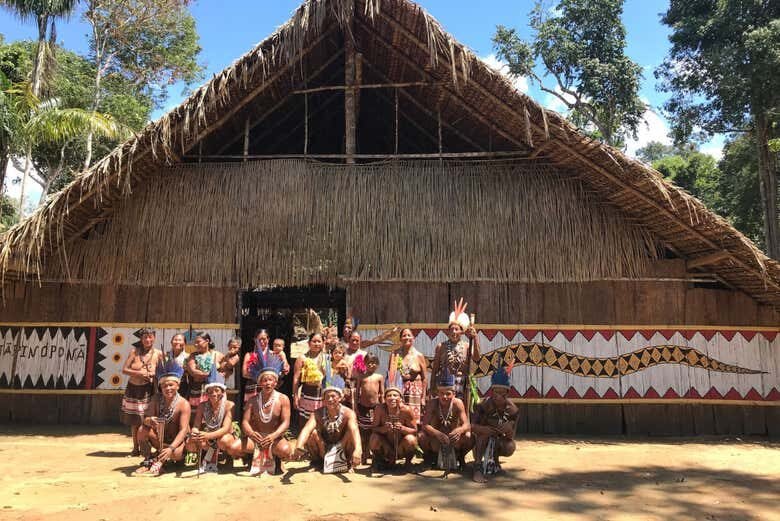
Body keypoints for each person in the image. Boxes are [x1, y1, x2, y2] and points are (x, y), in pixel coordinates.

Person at [229, 353, 292, 476]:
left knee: (285, 451)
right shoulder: (253, 400)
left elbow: (286, 422)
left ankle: (276, 459)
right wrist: (252, 434)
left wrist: (273, 436)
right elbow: (245, 422)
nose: (268, 383)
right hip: (256, 438)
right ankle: (249, 458)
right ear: (260, 383)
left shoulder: (283, 399)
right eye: (264, 380)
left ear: (275, 382)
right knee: (233, 448)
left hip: (274, 438)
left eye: (270, 380)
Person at [294, 373, 362, 473]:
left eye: (333, 396)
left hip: (342, 446)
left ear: (340, 398)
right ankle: (318, 462)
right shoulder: (317, 413)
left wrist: (358, 449)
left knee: (350, 433)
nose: (330, 399)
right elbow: (307, 429)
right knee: (312, 433)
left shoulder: (349, 413)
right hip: (324, 447)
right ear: (323, 400)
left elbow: (354, 430)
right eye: (327, 397)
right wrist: (299, 446)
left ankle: (347, 462)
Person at [134, 357, 191, 476]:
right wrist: (150, 420)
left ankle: (164, 460)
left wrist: (171, 448)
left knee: (176, 454)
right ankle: (148, 460)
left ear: (178, 386)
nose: (168, 388)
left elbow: (183, 430)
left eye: (171, 385)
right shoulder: (156, 399)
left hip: (176, 443)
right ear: (161, 387)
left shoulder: (183, 404)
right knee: (142, 430)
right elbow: (145, 420)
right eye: (164, 386)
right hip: (159, 439)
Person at [471, 365, 519, 483]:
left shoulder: (513, 410)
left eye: (502, 393)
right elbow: (471, 426)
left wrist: (508, 429)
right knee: (483, 435)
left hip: (498, 441)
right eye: (496, 392)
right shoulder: (483, 405)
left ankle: (495, 461)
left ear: (507, 392)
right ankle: (478, 468)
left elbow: (511, 437)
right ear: (492, 392)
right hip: (481, 443)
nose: (499, 396)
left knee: (510, 446)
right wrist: (485, 429)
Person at [185, 364, 236, 474]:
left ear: (222, 392)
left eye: (217, 390)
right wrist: (195, 433)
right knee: (190, 442)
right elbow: (196, 425)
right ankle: (205, 458)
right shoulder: (202, 406)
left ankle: (227, 458)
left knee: (224, 441)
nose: (214, 393)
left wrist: (208, 436)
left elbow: (226, 428)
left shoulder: (229, 405)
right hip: (208, 436)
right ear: (206, 393)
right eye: (210, 391)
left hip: (223, 436)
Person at [120, 327, 163, 456]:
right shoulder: (134, 352)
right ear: (141, 339)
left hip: (149, 390)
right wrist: (140, 373)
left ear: (154, 338)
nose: (148, 340)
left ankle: (149, 447)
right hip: (133, 389)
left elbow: (162, 372)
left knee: (148, 419)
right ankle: (135, 448)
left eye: (150, 337)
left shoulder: (158, 354)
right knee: (134, 421)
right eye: (145, 337)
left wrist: (153, 375)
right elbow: (125, 369)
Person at [419, 369, 473, 471]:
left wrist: (459, 430)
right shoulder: (432, 403)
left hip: (453, 439)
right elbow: (424, 425)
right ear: (437, 393)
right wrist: (437, 433)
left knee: (468, 436)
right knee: (421, 436)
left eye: (448, 393)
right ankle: (430, 458)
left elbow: (466, 424)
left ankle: (460, 457)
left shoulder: (458, 403)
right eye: (441, 393)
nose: (444, 396)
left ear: (454, 393)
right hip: (436, 440)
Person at [431, 298, 481, 403]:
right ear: (447, 332)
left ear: (462, 332)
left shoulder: (467, 345)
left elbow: (476, 358)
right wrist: (432, 388)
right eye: (451, 329)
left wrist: (475, 337)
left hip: (462, 384)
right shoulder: (441, 347)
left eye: (456, 329)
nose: (454, 332)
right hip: (445, 385)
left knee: (461, 409)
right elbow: (435, 369)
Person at [369, 372, 418, 469]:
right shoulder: (379, 409)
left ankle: (408, 463)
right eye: (389, 396)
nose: (392, 398)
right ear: (385, 399)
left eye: (395, 395)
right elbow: (374, 429)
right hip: (386, 446)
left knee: (411, 439)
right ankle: (380, 460)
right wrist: (384, 429)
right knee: (374, 438)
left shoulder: (406, 410)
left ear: (401, 398)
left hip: (400, 447)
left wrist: (402, 428)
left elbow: (415, 430)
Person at [390, 328, 428, 425]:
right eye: (404, 335)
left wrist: (423, 398)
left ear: (413, 338)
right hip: (399, 391)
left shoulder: (419, 355)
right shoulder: (395, 354)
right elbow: (391, 376)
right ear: (400, 339)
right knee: (399, 420)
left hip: (415, 393)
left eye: (409, 335)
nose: (407, 337)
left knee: (415, 422)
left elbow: (424, 378)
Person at [292, 333, 327, 426]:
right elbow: (296, 378)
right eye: (314, 341)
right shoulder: (302, 358)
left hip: (322, 395)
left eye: (319, 341)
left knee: (320, 422)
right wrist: (295, 396)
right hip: (307, 393)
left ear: (323, 343)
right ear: (309, 343)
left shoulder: (327, 358)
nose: (316, 344)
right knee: (305, 422)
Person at [356, 353, 383, 463]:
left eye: (374, 363)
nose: (371, 365)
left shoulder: (379, 377)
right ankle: (364, 454)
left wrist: (383, 408)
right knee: (363, 431)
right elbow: (357, 393)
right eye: (369, 363)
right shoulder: (361, 376)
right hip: (363, 407)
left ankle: (374, 454)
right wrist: (356, 407)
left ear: (378, 364)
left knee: (374, 430)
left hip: (375, 408)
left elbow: (382, 393)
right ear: (365, 364)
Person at [186, 333, 224, 411]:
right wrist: (211, 374)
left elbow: (227, 370)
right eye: (195, 343)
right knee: (197, 412)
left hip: (214, 391)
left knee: (214, 411)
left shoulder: (217, 355)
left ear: (207, 341)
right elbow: (193, 372)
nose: (195, 345)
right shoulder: (193, 356)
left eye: (198, 342)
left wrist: (222, 375)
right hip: (198, 389)